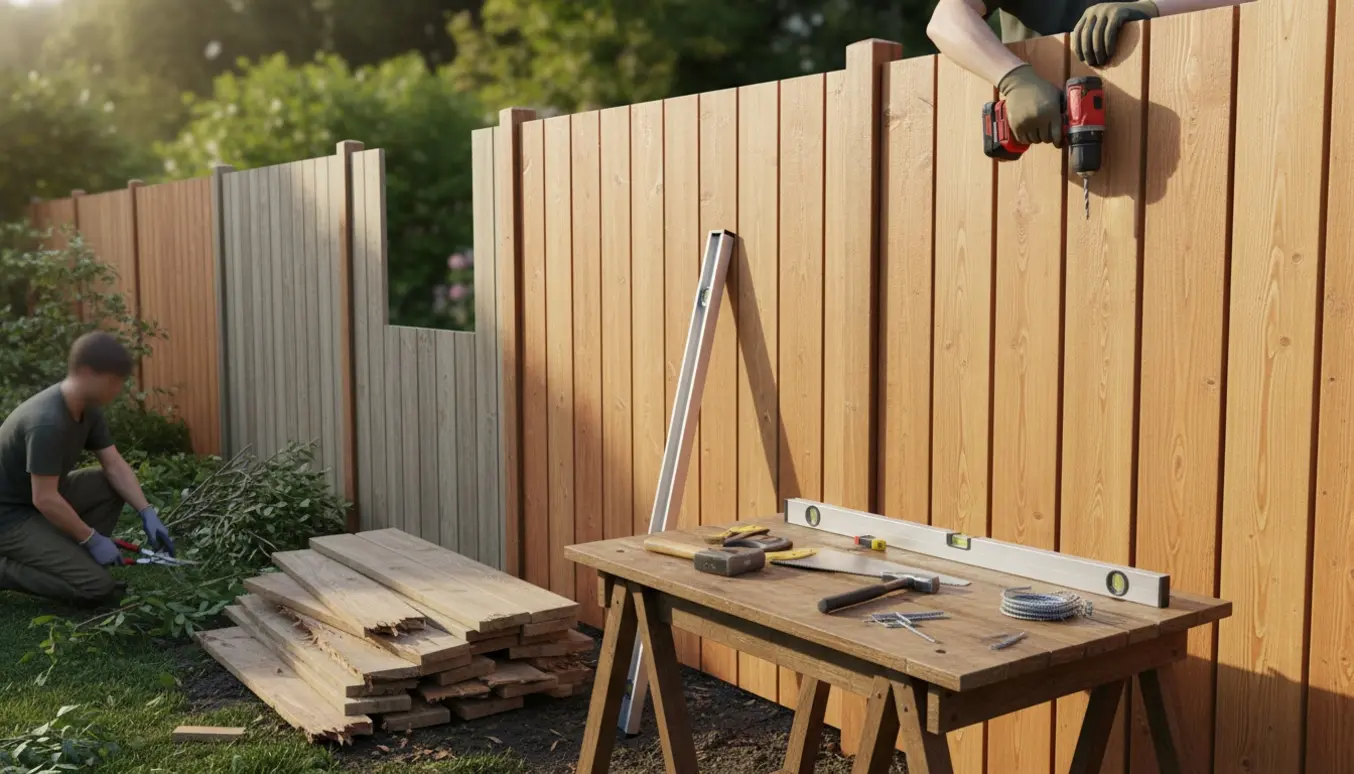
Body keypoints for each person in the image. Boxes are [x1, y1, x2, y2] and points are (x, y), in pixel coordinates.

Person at [927, 0, 1254, 146]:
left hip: (1182, 141)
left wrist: (1153, 8)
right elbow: (946, 18)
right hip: (1045, 175)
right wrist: (1014, 79)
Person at [0, 332, 174, 605]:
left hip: (39, 500)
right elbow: (44, 498)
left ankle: (72, 553)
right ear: (85, 373)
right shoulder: (46, 422)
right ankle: (6, 570)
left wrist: (146, 511)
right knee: (96, 587)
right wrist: (91, 538)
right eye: (113, 381)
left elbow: (114, 464)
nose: (118, 389)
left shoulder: (87, 409)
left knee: (108, 484)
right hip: (10, 517)